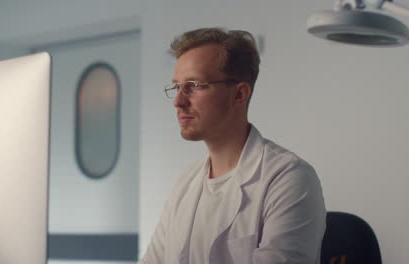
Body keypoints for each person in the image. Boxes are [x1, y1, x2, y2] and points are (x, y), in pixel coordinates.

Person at [139, 27, 326, 264]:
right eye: (177, 87)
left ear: (239, 94)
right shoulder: (185, 183)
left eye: (194, 85)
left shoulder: (289, 178)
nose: (178, 101)